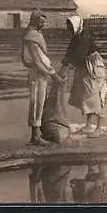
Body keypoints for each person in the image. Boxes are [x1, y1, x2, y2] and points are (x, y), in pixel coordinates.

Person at [58, 15, 107, 138]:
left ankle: (99, 128)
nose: (69, 29)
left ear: (76, 25)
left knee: (97, 95)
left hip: (94, 66)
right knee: (86, 94)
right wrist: (62, 68)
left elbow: (79, 53)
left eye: (70, 26)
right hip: (85, 66)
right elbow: (70, 52)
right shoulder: (77, 36)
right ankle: (88, 125)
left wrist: (67, 68)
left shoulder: (85, 35)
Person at [21, 9, 64, 146]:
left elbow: (42, 59)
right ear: (34, 21)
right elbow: (39, 60)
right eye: (41, 21)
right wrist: (54, 75)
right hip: (37, 73)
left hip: (41, 73)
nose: (43, 24)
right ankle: (35, 137)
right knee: (36, 103)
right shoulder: (32, 37)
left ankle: (37, 134)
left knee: (40, 102)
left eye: (44, 22)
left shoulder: (36, 35)